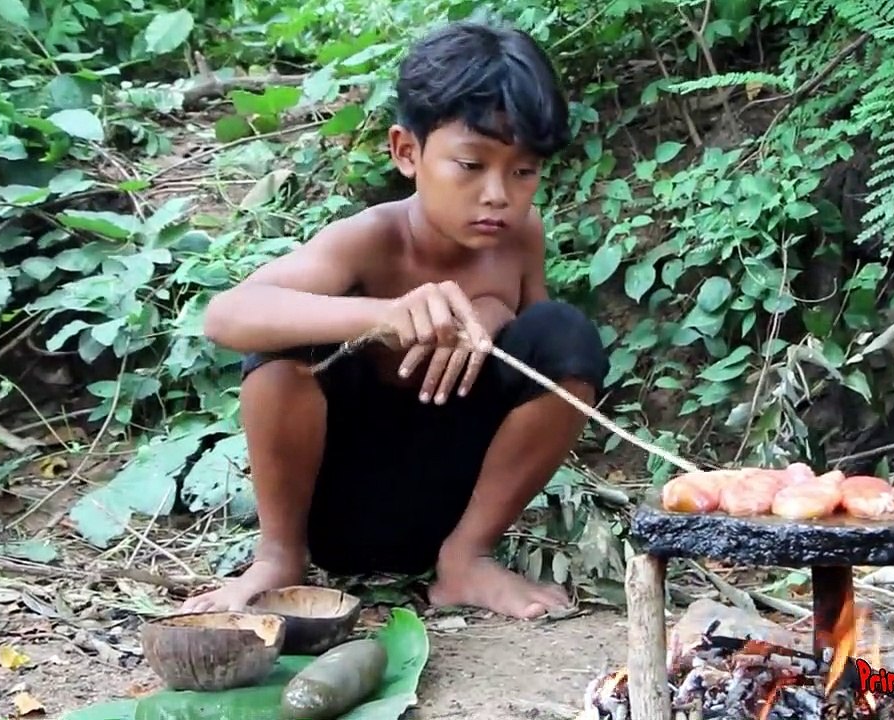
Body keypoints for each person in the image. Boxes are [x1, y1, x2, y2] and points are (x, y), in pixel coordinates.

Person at [181, 20, 609, 620]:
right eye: (471, 165)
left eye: (524, 171)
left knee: (568, 335)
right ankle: (277, 557)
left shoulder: (519, 237)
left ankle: (467, 559)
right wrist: (381, 316)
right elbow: (227, 315)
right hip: (341, 508)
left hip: (451, 501)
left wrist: (491, 312)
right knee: (283, 350)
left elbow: (541, 354)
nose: (499, 194)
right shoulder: (370, 240)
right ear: (407, 152)